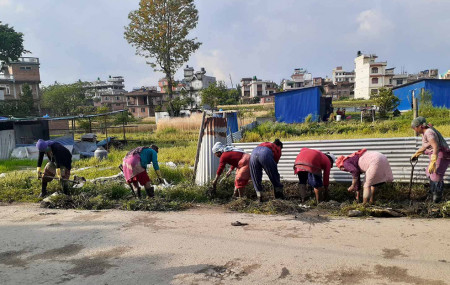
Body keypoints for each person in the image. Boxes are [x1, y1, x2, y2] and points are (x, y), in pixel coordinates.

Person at [410, 117, 450, 203]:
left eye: (415, 128)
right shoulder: (425, 132)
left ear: (420, 126)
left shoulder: (429, 133)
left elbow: (435, 146)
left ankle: (437, 199)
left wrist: (433, 161)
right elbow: (426, 145)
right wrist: (417, 153)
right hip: (437, 155)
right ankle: (433, 191)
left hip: (441, 155)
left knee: (435, 175)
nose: (415, 130)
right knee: (429, 172)